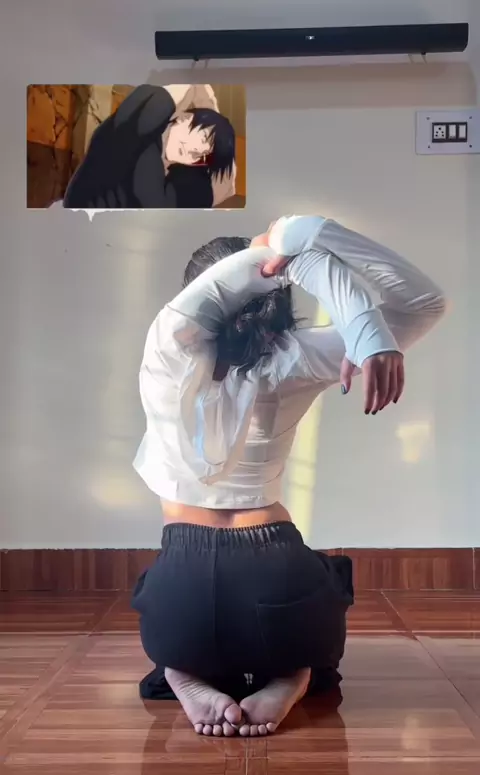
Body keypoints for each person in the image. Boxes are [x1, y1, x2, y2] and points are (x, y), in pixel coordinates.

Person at [131, 215, 447, 737]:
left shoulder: (169, 348)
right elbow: (425, 303)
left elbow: (217, 291)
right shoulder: (298, 356)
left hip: (180, 601)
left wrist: (278, 251)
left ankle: (179, 669)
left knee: (159, 596)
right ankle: (294, 673)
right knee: (327, 582)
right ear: (277, 292)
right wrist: (309, 241)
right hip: (276, 578)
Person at [63, 84, 236, 209]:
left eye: (203, 155)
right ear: (185, 117)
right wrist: (204, 96)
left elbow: (226, 184)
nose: (196, 151)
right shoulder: (141, 126)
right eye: (203, 137)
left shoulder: (170, 179)